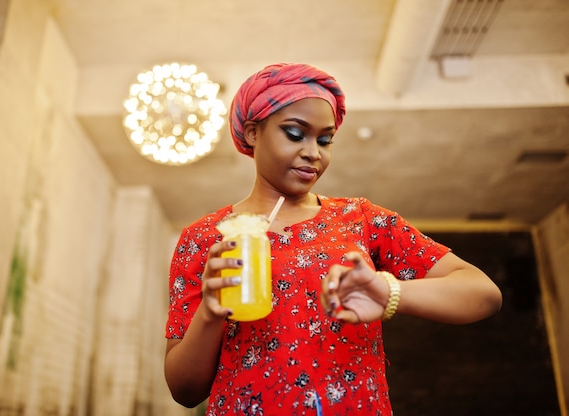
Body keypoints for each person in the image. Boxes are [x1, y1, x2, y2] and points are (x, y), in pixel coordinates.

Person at [164, 63, 502, 415]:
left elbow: (483, 294)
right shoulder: (204, 238)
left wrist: (390, 293)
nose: (314, 152)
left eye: (325, 140)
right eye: (295, 134)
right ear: (252, 132)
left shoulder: (361, 219)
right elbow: (184, 391)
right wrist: (209, 314)